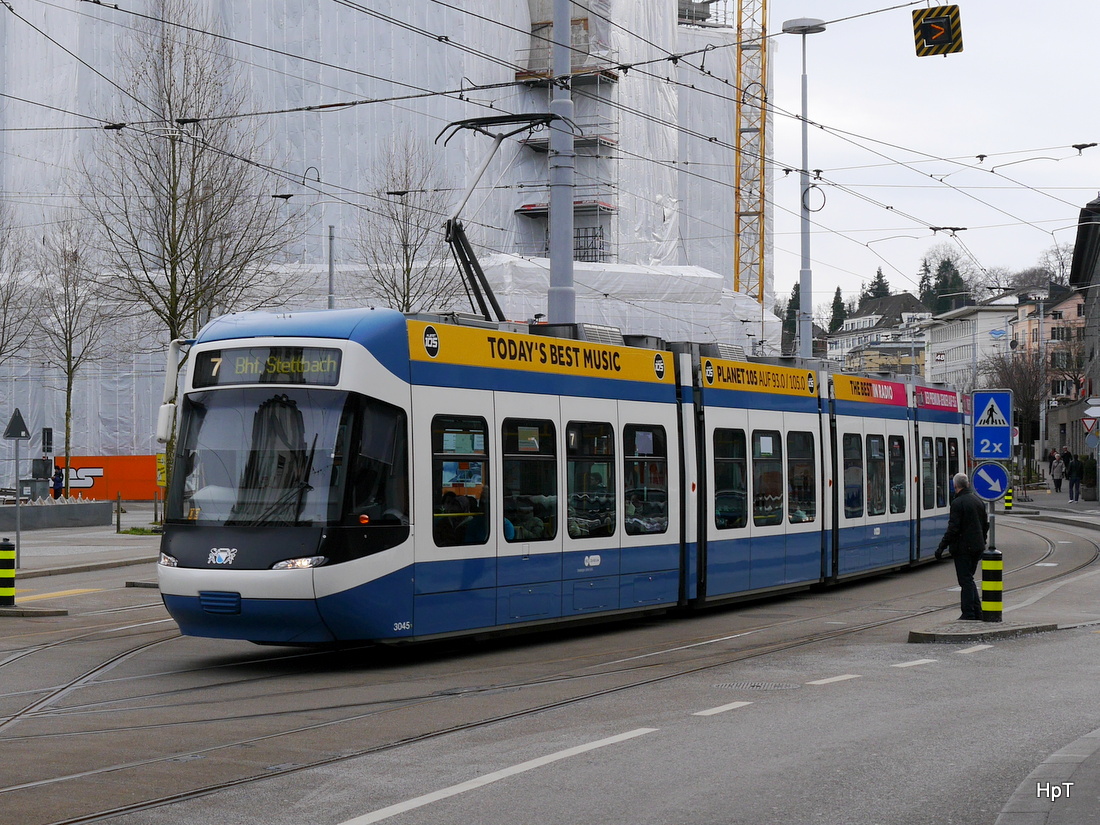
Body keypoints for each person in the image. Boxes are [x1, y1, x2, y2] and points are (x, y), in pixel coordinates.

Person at [935, 472, 989, 621]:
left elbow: (953, 528)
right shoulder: (978, 501)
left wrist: (941, 547)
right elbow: (985, 525)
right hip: (977, 547)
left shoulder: (958, 503)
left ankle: (968, 613)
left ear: (955, 486)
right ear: (968, 484)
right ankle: (977, 611)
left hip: (964, 548)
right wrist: (982, 541)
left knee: (965, 580)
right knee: (969, 579)